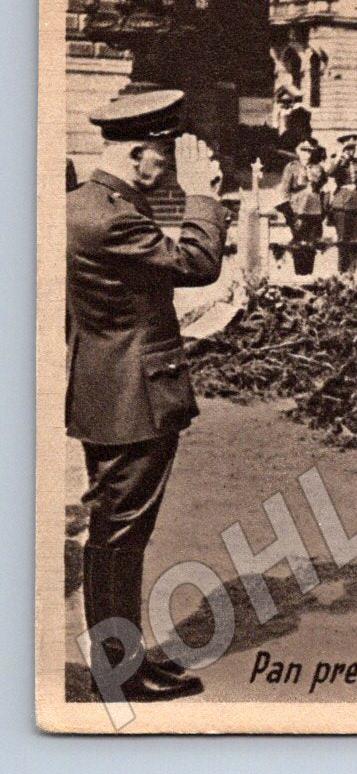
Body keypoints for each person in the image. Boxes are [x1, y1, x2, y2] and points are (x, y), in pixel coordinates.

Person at [68, 89, 228, 701]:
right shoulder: (112, 218)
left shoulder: (83, 205)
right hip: (134, 398)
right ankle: (118, 672)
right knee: (120, 537)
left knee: (115, 532)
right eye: (167, 155)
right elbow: (198, 262)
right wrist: (204, 195)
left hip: (104, 388)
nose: (172, 167)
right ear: (139, 155)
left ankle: (121, 663)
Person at [278, 137, 328, 276]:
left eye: (309, 151)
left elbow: (324, 187)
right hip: (297, 209)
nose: (306, 154)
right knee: (299, 241)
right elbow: (285, 190)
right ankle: (299, 272)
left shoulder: (318, 168)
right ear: (298, 152)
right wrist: (288, 211)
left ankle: (309, 273)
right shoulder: (292, 167)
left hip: (315, 210)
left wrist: (323, 209)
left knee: (312, 242)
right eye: (303, 151)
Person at [327, 133, 357, 275]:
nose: (350, 151)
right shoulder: (337, 161)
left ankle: (352, 272)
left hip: (356, 204)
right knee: (342, 240)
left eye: (352, 148)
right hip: (342, 205)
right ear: (343, 149)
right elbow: (330, 173)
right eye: (347, 148)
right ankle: (342, 271)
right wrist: (339, 157)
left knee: (354, 239)